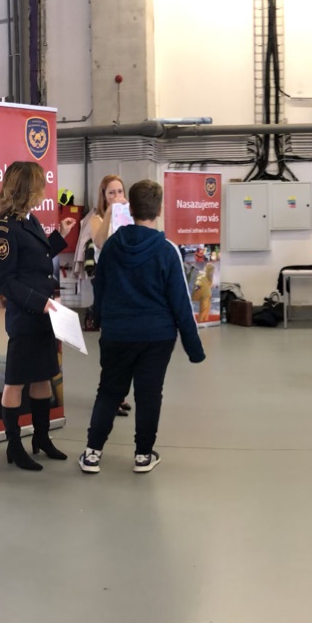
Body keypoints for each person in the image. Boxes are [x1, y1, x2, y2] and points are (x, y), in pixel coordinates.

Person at [79, 179, 207, 474]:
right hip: (157, 336)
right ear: (159, 210)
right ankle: (143, 455)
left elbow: (101, 290)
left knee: (109, 391)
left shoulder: (111, 247)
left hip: (117, 334)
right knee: (149, 394)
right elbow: (180, 302)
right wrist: (194, 349)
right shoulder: (167, 250)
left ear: (131, 209)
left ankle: (92, 453)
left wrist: (102, 323)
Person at [0, 162, 77, 472]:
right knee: (15, 383)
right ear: (27, 189)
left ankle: (42, 437)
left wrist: (60, 235)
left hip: (43, 315)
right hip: (26, 317)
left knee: (43, 377)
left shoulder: (31, 221)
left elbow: (37, 258)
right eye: (40, 185)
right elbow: (5, 281)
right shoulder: (4, 230)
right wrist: (40, 303)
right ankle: (14, 446)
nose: (44, 191)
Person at [78, 174, 131, 416]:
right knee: (111, 345)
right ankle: (110, 397)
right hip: (107, 287)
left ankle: (120, 394)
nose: (117, 196)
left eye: (120, 191)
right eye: (111, 192)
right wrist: (110, 212)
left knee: (127, 345)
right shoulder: (96, 218)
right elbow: (100, 243)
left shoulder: (129, 216)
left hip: (126, 284)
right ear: (103, 196)